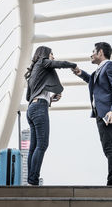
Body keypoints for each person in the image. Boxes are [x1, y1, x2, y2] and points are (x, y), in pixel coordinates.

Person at [72, 42, 112, 186]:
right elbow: (93, 82)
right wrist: (80, 73)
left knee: (109, 147)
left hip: (108, 113)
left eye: (93, 51)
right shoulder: (99, 71)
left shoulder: (110, 66)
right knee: (108, 147)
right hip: (101, 114)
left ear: (100, 52)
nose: (91, 54)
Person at [24, 46, 77, 186]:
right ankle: (33, 180)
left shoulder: (34, 71)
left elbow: (28, 96)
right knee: (42, 145)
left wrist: (50, 97)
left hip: (31, 109)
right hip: (40, 108)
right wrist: (73, 65)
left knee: (34, 147)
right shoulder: (43, 62)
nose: (53, 56)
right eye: (51, 53)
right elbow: (59, 64)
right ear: (45, 54)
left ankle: (31, 180)